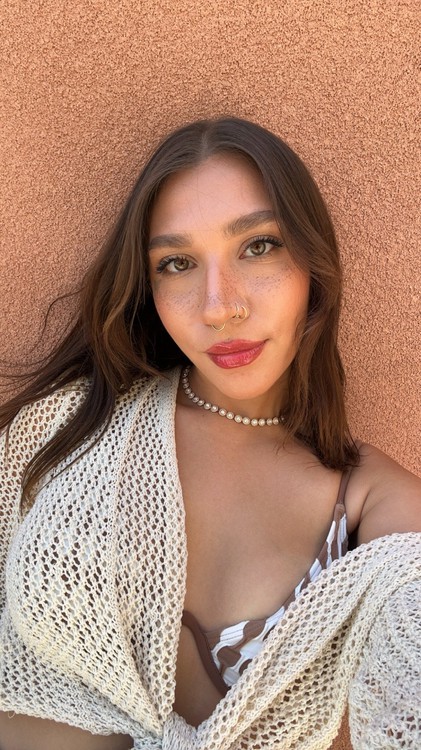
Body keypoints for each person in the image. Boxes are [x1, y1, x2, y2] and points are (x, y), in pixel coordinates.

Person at [0, 117, 420, 750]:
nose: (220, 306)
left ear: (313, 262)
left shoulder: (365, 498)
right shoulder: (69, 427)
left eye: (259, 246)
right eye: (177, 263)